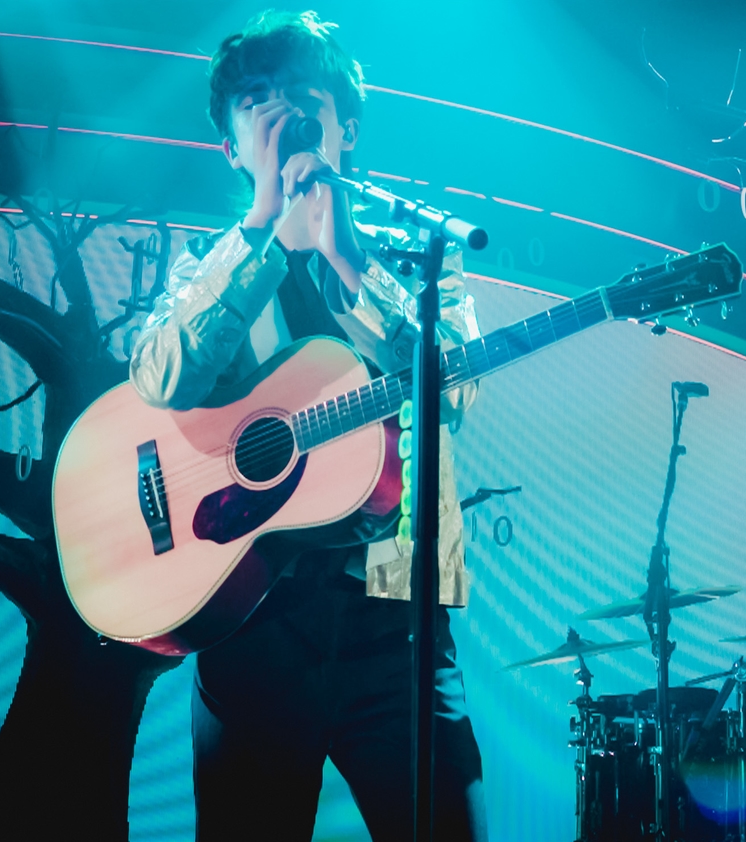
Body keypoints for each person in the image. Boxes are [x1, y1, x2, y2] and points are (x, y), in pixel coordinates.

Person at [127, 11, 485, 840]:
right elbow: (162, 380)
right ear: (230, 145)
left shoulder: (419, 256)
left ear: (345, 126)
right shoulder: (204, 265)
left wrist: (348, 259)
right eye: (255, 99)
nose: (279, 110)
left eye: (300, 93)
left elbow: (455, 398)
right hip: (252, 618)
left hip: (399, 617)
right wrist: (260, 230)